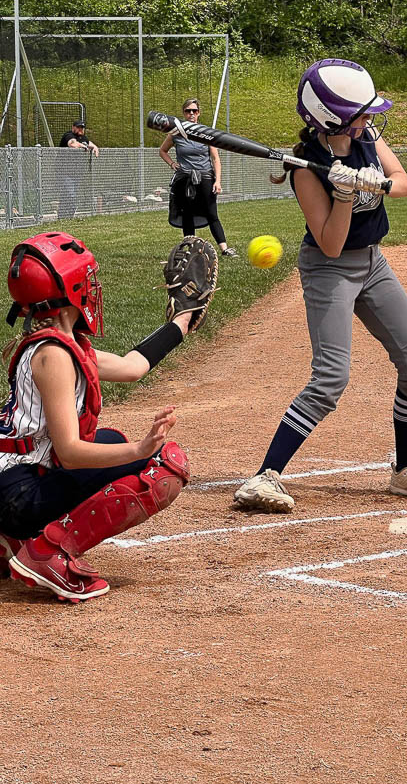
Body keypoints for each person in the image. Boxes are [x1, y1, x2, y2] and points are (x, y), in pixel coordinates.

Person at [233, 58, 407, 513]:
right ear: (332, 117)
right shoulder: (306, 170)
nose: (369, 120)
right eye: (360, 114)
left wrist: (377, 182)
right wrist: (342, 194)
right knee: (331, 378)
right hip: (329, 269)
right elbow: (331, 245)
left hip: (373, 263)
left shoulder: (368, 136)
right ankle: (265, 477)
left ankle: (405, 471)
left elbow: (405, 183)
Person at [0, 231, 195, 602]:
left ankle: (11, 540)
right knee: (164, 465)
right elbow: (70, 452)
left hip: (14, 481)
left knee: (110, 440)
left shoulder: (58, 342)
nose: (92, 286)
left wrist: (181, 321)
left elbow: (131, 366)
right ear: (69, 288)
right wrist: (140, 450)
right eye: (85, 278)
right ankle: (47, 553)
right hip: (16, 492)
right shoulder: (53, 356)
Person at [158, 98, 237, 257]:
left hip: (205, 177)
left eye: (194, 111)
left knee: (211, 212)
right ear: (184, 114)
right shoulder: (176, 133)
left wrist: (218, 181)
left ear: (199, 113)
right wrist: (172, 164)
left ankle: (224, 248)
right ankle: (191, 249)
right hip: (185, 179)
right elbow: (162, 151)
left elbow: (215, 159)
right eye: (188, 111)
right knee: (187, 214)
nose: (191, 114)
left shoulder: (206, 133)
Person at [57, 119, 99, 218]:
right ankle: (66, 215)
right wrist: (84, 146)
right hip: (65, 172)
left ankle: (64, 217)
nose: (80, 129)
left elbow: (89, 143)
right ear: (73, 127)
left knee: (67, 195)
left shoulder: (83, 138)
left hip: (76, 173)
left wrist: (95, 147)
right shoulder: (68, 136)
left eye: (82, 128)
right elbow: (73, 144)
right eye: (78, 127)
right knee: (70, 195)